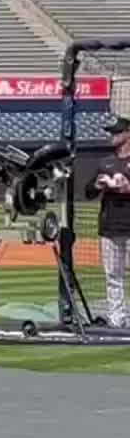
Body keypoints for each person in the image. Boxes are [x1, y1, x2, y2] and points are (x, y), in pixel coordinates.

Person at [84, 115, 130, 328]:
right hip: (110, 227)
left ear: (128, 134)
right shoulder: (105, 162)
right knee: (113, 275)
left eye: (116, 132)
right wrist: (98, 185)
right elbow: (88, 192)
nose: (112, 136)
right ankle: (117, 319)